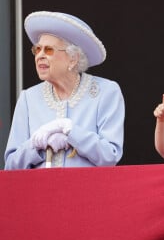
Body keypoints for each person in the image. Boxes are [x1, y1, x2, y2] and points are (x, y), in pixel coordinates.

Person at [4, 11, 124, 169]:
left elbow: (110, 156)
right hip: (40, 191)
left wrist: (71, 132)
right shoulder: (28, 98)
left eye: (48, 50)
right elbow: (11, 165)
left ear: (73, 58)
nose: (39, 55)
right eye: (37, 49)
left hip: (88, 191)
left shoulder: (106, 92)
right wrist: (37, 145)